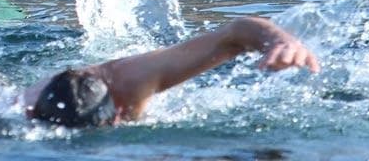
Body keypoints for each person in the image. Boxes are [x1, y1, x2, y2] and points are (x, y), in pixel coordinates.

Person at [23, 16, 321, 127]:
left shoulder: (130, 81)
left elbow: (235, 33)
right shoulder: (16, 107)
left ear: (118, 114)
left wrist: (280, 42)